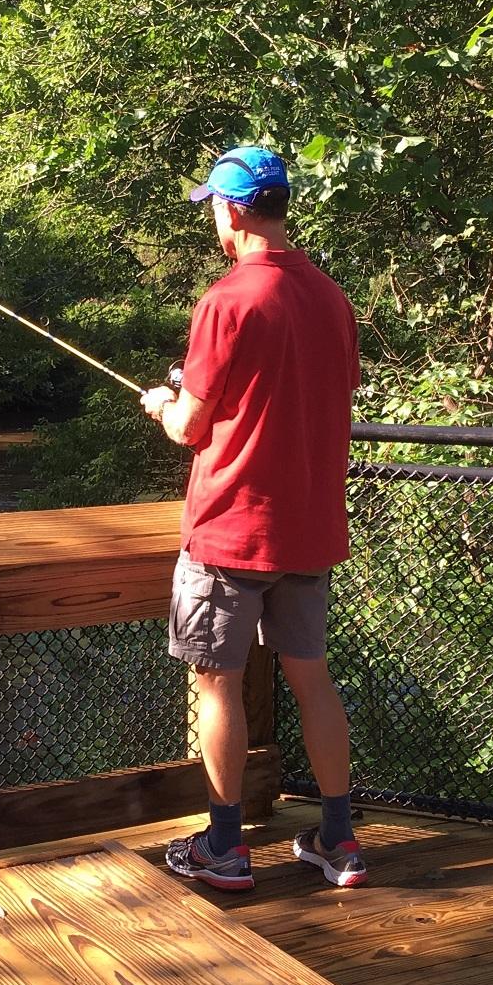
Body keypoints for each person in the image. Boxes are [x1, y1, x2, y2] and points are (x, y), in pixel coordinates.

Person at [140, 144, 366, 892]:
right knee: (313, 680)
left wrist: (164, 402)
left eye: (212, 204)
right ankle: (338, 839)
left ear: (233, 210)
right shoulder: (332, 298)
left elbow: (190, 427)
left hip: (231, 532)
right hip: (309, 531)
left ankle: (225, 848)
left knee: (217, 684)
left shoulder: (228, 300)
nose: (213, 216)